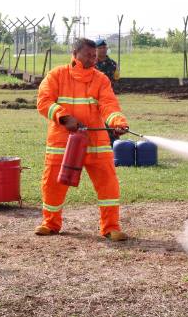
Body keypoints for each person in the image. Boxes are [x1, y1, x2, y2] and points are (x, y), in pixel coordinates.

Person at [35, 38, 130, 241]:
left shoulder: (101, 79)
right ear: (75, 53)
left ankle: (110, 227)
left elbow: (109, 105)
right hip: (63, 142)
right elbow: (43, 102)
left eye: (94, 55)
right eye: (88, 55)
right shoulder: (56, 75)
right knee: (52, 184)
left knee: (109, 184)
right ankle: (50, 224)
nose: (93, 59)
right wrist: (64, 117)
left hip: (96, 142)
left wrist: (117, 122)